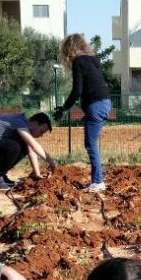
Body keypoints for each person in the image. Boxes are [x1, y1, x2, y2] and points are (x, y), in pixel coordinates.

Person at [53, 33, 112, 193]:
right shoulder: (94, 60)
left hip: (96, 105)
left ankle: (98, 181)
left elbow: (77, 90)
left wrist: (64, 108)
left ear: (69, 49)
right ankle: (98, 178)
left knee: (90, 144)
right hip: (105, 102)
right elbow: (94, 85)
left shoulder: (79, 61)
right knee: (92, 143)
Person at [0, 111, 55, 190]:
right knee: (14, 146)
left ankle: (0, 174)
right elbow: (33, 145)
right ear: (35, 123)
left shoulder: (23, 126)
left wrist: (37, 174)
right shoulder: (19, 122)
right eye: (41, 131)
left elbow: (31, 151)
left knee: (23, 146)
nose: (41, 135)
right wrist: (52, 163)